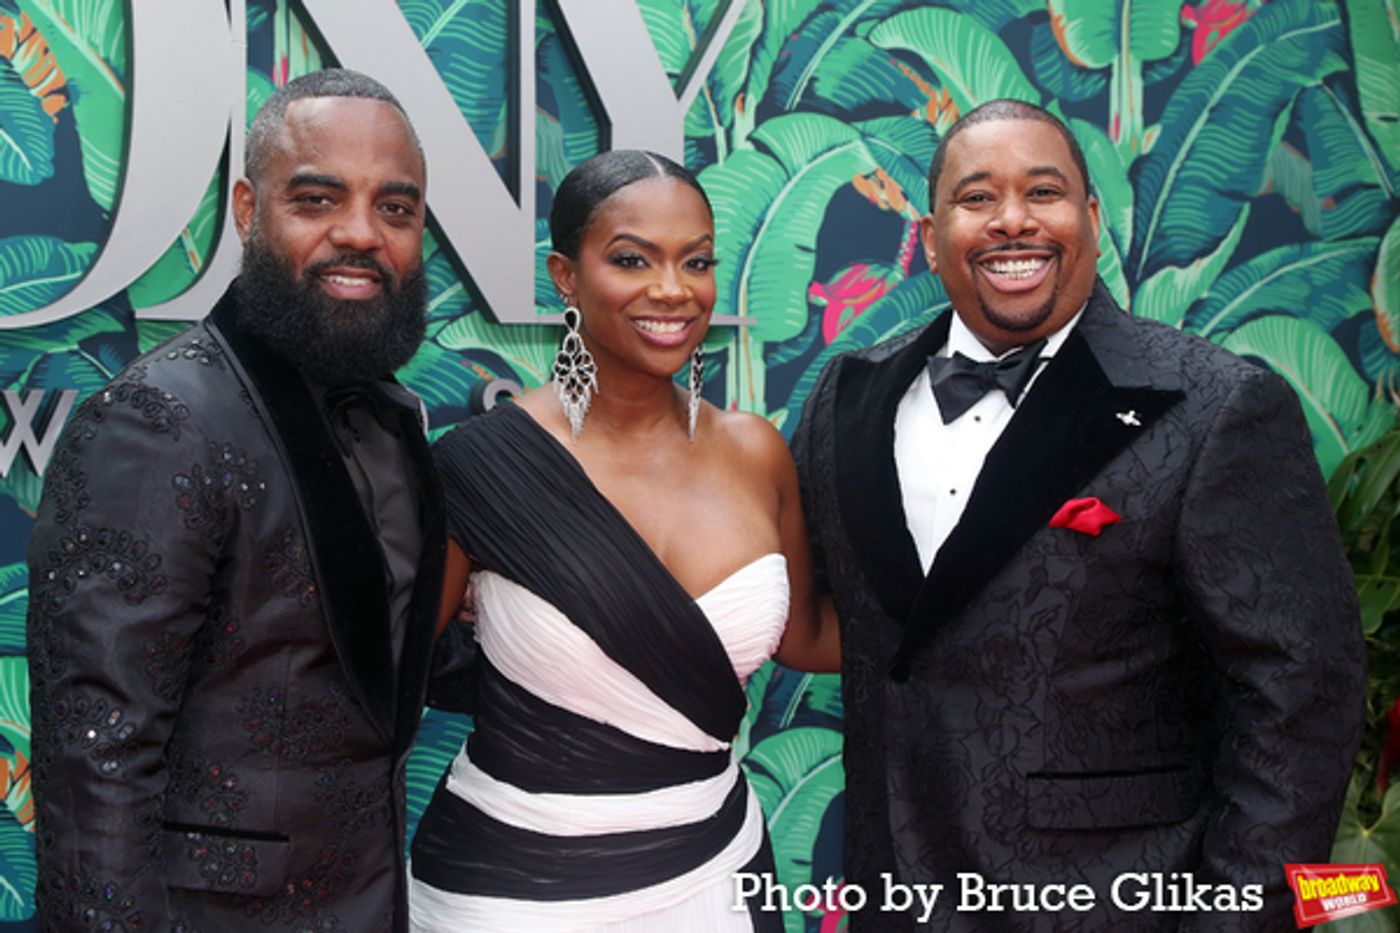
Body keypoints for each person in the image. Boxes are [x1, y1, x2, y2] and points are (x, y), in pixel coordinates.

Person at [790, 99, 1366, 931]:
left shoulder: (1213, 405)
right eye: (977, 197)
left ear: (1091, 217)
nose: (1012, 220)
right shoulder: (847, 396)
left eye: (1043, 192)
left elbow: (1298, 692)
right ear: (930, 235)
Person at [26, 69, 446, 932]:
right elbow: (97, 757)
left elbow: (379, 663)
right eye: (318, 199)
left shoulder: (394, 419)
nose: (360, 232)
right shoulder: (159, 419)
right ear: (249, 211)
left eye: (395, 208)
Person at [409, 149, 838, 931]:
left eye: (696, 261)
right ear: (566, 277)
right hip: (508, 897)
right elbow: (387, 673)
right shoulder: (480, 467)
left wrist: (988, 600)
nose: (673, 289)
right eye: (633, 259)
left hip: (716, 879)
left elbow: (807, 636)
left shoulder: (756, 452)